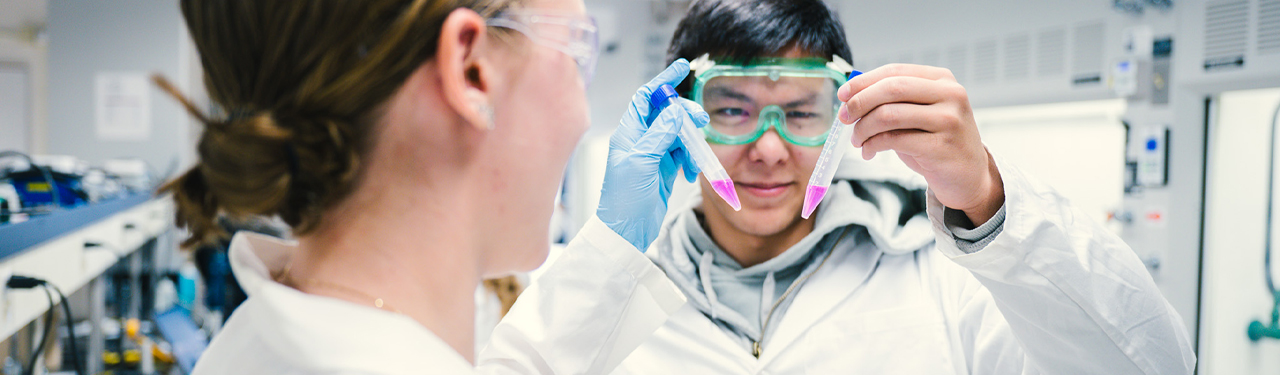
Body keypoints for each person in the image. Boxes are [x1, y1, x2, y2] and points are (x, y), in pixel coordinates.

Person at [572, 0, 1194, 374]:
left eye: (801, 110)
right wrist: (607, 259)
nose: (767, 147)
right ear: (679, 115)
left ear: (845, 113)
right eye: (732, 110)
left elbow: (1151, 364)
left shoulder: (945, 282)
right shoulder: (607, 297)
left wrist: (988, 197)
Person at [160, 0, 711, 373]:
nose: (584, 118)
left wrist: (613, 245)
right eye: (578, 52)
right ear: (471, 72)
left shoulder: (258, 339)